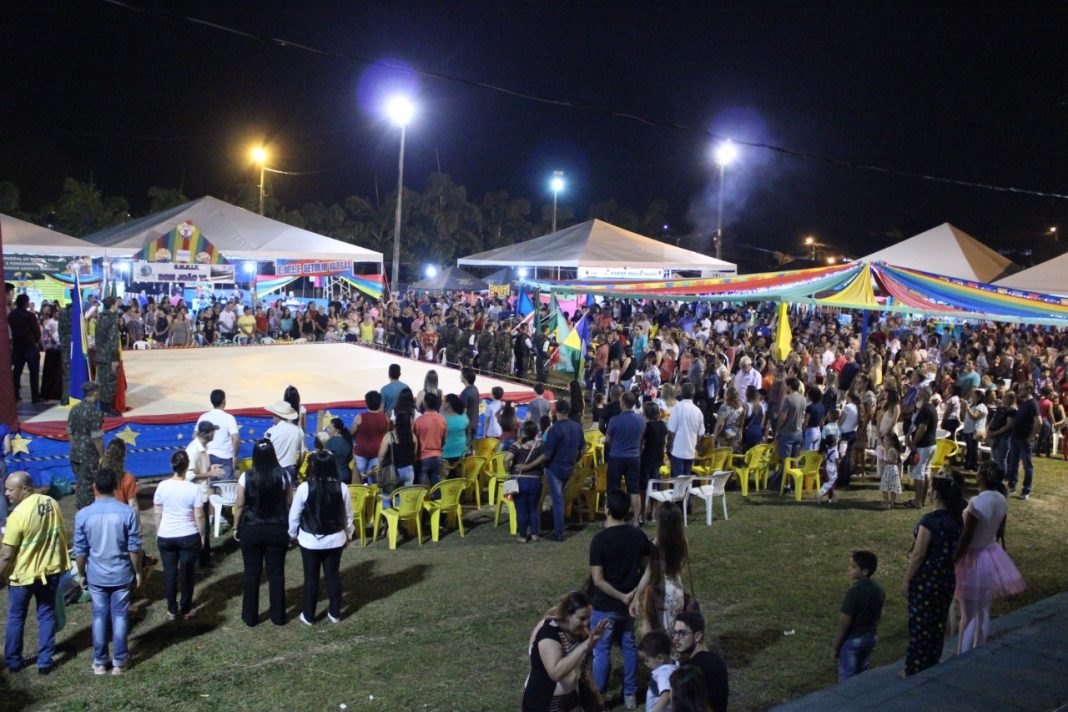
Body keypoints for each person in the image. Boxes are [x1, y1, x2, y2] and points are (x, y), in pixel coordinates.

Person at [74, 467, 143, 675]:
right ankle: (120, 661)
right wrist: (138, 572)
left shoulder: (83, 515)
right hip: (121, 573)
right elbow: (134, 548)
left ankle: (100, 661)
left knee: (99, 616)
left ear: (94, 486)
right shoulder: (128, 513)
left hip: (96, 575)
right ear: (116, 486)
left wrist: (82, 574)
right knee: (120, 615)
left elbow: (80, 550)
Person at [0, 472, 70, 673]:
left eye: (10, 490)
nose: (6, 494)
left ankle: (13, 661)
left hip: (23, 575)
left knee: (16, 617)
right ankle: (45, 661)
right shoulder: (51, 503)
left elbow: (6, 555)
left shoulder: (17, 515)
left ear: (25, 488)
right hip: (50, 570)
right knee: (46, 613)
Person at [588, 490, 652, 709]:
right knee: (628, 646)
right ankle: (630, 694)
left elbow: (598, 580)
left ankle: (599, 695)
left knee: (601, 650)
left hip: (606, 605)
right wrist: (635, 594)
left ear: (607, 509)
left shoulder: (600, 541)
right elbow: (648, 569)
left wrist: (623, 596)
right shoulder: (638, 536)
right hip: (628, 607)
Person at [954, 462, 1026, 654]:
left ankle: (962, 653)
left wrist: (955, 558)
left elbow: (967, 535)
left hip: (972, 557)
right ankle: (979, 647)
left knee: (968, 613)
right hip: (990, 554)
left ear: (981, 476)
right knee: (983, 608)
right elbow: (1000, 530)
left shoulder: (977, 502)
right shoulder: (1001, 499)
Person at [902, 477, 964, 674]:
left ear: (936, 493)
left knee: (920, 624)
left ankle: (914, 667)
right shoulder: (957, 520)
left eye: (930, 489)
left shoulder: (930, 521)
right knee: (938, 623)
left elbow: (919, 554)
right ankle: (932, 660)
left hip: (926, 579)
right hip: (946, 577)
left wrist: (907, 580)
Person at [288, 450, 354, 625]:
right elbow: (347, 515)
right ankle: (334, 613)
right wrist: (348, 533)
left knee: (311, 578)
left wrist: (292, 534)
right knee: (333, 576)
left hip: (310, 540)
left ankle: (308, 615)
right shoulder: (342, 487)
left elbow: (294, 515)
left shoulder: (304, 488)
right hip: (335, 539)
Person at [521, 590, 610, 712]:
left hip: (569, 699)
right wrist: (585, 646)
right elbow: (556, 673)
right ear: (568, 614)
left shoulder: (580, 632)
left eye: (588, 617)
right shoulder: (548, 634)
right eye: (582, 618)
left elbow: (581, 665)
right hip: (542, 701)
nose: (586, 623)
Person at [233, 439, 291, 627]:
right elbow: (288, 503)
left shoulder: (246, 477)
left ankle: (250, 617)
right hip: (276, 528)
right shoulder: (283, 476)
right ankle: (278, 616)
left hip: (252, 528)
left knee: (251, 574)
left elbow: (240, 505)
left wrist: (235, 526)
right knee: (277, 574)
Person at [515, 398, 586, 541]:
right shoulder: (577, 427)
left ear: (556, 411)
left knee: (557, 500)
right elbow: (583, 448)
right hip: (569, 467)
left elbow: (546, 454)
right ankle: (557, 527)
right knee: (560, 499)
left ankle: (558, 532)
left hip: (555, 469)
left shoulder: (555, 430)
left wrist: (527, 466)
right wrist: (575, 460)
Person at [153, 451, 206, 621]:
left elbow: (157, 512)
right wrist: (202, 535)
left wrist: (158, 531)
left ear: (171, 465)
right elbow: (199, 515)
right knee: (187, 574)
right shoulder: (193, 488)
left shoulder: (162, 486)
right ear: (187, 466)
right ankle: (185, 608)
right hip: (188, 535)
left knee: (169, 573)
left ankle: (172, 609)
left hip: (166, 535)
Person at [633, 501, 688, 633]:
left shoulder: (654, 544)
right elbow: (679, 568)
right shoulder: (682, 541)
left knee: (656, 633)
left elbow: (648, 573)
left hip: (659, 591)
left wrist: (637, 596)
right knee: (673, 632)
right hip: (677, 589)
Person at [832, 550, 885, 682]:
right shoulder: (878, 589)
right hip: (870, 637)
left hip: (853, 639)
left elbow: (844, 624)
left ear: (864, 571)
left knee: (847, 679)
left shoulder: (854, 592)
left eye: (853, 567)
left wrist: (836, 646)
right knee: (863, 675)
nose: (850, 570)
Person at [672, 611, 729, 712]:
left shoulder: (695, 668)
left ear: (698, 636)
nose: (675, 639)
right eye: (674, 633)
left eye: (682, 633)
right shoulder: (715, 659)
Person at [605, 391, 646, 526]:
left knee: (613, 488)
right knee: (634, 489)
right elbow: (642, 439)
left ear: (622, 403)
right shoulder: (641, 420)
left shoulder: (614, 420)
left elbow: (608, 440)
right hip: (634, 457)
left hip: (616, 456)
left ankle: (612, 519)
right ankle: (636, 520)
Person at [504, 421, 545, 543]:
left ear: (524, 432)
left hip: (519, 480)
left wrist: (508, 470)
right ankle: (534, 534)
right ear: (536, 432)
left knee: (521, 509)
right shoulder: (540, 445)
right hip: (535, 480)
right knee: (533, 508)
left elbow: (506, 459)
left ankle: (522, 536)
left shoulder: (517, 445)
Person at [68, 381, 105, 509]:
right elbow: (97, 438)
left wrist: (75, 446)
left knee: (81, 482)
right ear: (94, 393)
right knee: (89, 486)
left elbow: (69, 431)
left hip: (75, 453)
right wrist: (102, 456)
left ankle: (80, 507)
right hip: (89, 454)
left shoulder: (75, 409)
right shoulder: (95, 412)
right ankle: (86, 510)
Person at [195, 389, 240, 480]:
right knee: (226, 487)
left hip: (207, 457)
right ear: (224, 401)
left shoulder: (203, 417)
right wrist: (235, 456)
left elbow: (195, 436)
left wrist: (202, 450)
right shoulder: (229, 418)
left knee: (210, 486)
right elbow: (235, 439)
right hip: (225, 458)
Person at [1005, 383, 1041, 500]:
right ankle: (1011, 486)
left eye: (1022, 389)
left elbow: (1039, 422)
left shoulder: (1033, 404)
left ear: (1029, 390)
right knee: (1013, 463)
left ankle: (1026, 490)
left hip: (1024, 439)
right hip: (1015, 437)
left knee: (1027, 466)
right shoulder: (1023, 403)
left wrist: (1031, 436)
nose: (1019, 391)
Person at [905, 387, 937, 508]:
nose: (917, 397)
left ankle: (917, 501)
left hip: (924, 445)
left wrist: (914, 442)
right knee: (925, 471)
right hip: (931, 444)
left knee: (919, 472)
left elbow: (922, 428)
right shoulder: (931, 408)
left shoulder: (925, 409)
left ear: (925, 396)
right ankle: (922, 500)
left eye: (919, 395)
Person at [9, 293, 42, 403]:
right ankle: (35, 397)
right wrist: (35, 340)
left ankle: (15, 395)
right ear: (26, 303)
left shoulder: (11, 315)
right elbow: (37, 332)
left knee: (16, 372)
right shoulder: (30, 316)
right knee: (34, 373)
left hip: (17, 347)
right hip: (30, 346)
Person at [667, 383, 705, 477]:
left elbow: (671, 431)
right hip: (690, 452)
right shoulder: (698, 411)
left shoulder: (677, 408)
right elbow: (701, 434)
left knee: (677, 481)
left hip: (677, 451)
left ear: (681, 393)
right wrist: (695, 447)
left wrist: (669, 447)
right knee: (686, 480)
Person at [265, 400, 306, 487]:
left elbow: (264, 452)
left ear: (277, 415)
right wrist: (297, 468)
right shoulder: (298, 430)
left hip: (274, 469)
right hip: (291, 469)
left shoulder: (270, 432)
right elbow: (303, 452)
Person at [413, 391, 447, 486]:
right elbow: (444, 439)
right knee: (437, 487)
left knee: (423, 489)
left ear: (425, 403)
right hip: (437, 456)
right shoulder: (442, 419)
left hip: (423, 457)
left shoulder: (419, 421)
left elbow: (415, 442)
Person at [377, 408, 417, 489]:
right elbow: (414, 453)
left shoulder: (389, 436)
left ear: (396, 422)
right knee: (406, 495)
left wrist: (380, 467)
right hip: (409, 470)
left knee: (388, 495)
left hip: (392, 471)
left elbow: (381, 456)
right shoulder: (413, 436)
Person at [638, 629, 677, 712]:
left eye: (647, 660)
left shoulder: (663, 672)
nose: (645, 664)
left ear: (660, 658)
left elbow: (666, 695)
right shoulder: (675, 665)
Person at [94, 296, 121, 415]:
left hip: (100, 354)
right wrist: (115, 358)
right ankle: (107, 410)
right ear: (112, 305)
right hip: (109, 356)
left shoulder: (100, 317)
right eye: (116, 303)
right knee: (109, 383)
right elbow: (113, 340)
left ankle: (103, 408)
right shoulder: (112, 319)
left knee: (102, 382)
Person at [352, 390, 389, 478]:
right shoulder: (385, 418)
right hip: (377, 452)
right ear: (380, 403)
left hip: (361, 452)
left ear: (366, 403)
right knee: (374, 478)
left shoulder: (359, 417)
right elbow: (386, 433)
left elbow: (352, 433)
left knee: (360, 477)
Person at [322, 417, 354, 484]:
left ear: (337, 431)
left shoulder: (331, 442)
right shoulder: (348, 442)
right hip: (347, 475)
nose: (327, 430)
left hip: (334, 477)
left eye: (330, 428)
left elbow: (324, 460)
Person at [441, 394, 469, 468]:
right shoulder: (464, 416)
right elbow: (467, 431)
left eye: (444, 401)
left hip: (446, 452)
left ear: (449, 403)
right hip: (461, 450)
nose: (442, 403)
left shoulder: (442, 418)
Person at [879, 432, 903, 509]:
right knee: (893, 488)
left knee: (885, 487)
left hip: (890, 470)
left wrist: (884, 461)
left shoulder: (892, 450)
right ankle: (892, 503)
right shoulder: (895, 450)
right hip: (893, 470)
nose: (885, 442)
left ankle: (887, 503)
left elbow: (893, 461)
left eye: (887, 440)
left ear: (892, 441)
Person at [459, 367, 481, 442]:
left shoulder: (465, 393)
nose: (460, 376)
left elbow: (463, 412)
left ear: (465, 377)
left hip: (467, 428)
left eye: (461, 374)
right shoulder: (475, 389)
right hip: (474, 424)